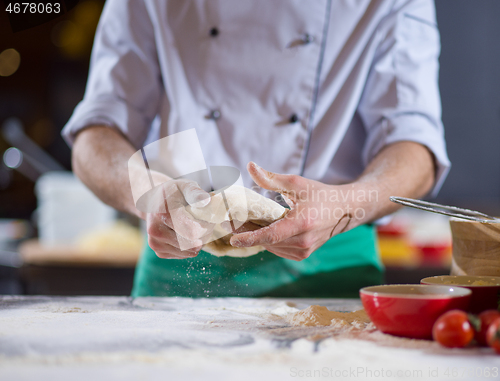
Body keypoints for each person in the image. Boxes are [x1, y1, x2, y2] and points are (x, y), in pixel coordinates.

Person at [62, 0, 450, 298]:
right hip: (178, 259)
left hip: (329, 264)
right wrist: (148, 195)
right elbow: (95, 135)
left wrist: (344, 206)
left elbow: (414, 146)